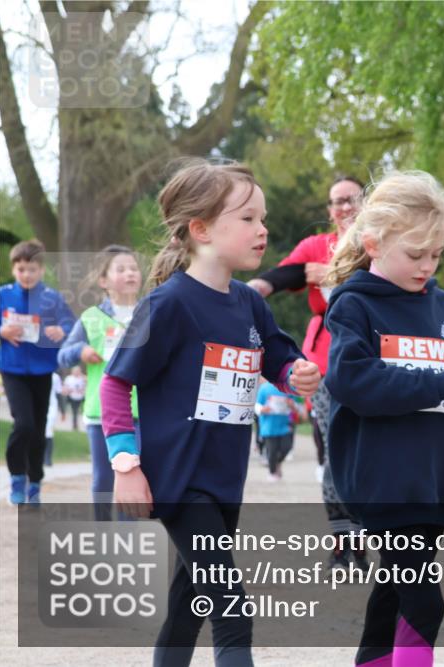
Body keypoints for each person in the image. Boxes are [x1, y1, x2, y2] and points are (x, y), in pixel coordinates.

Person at [100, 159, 321, 667]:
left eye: (263, 218)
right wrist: (126, 465)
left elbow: (278, 357)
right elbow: (115, 382)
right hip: (179, 481)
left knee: (188, 605)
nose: (262, 230)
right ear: (200, 229)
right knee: (231, 609)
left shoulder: (249, 302)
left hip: (225, 478)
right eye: (247, 218)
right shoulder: (168, 304)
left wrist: (296, 374)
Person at [322, 171, 444, 667]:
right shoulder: (353, 306)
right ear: (373, 244)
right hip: (384, 479)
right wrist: (440, 380)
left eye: (437, 254)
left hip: (436, 479)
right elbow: (352, 381)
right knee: (425, 602)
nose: (427, 266)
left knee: (393, 592)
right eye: (415, 255)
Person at [248, 175, 364, 479]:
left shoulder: (380, 245)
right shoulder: (317, 245)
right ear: (330, 211)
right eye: (338, 202)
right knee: (327, 425)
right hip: (327, 346)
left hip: (372, 343)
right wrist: (256, 288)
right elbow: (289, 273)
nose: (346, 207)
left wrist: (335, 275)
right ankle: (331, 479)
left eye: (353, 199)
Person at [58, 245, 143, 520]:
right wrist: (81, 350)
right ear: (103, 280)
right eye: (121, 269)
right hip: (101, 413)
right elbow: (63, 354)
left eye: (134, 268)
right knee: (104, 479)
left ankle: (128, 534)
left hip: (144, 412)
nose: (130, 273)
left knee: (133, 475)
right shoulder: (90, 318)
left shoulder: (151, 314)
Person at [0, 239, 75, 504]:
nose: (26, 274)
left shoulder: (52, 298)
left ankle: (35, 482)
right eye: (21, 269)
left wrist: (62, 330)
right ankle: (17, 478)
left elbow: (71, 324)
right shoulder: (3, 295)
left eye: (32, 269)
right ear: (13, 269)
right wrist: (1, 331)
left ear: (41, 270)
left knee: (39, 430)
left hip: (43, 371)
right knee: (24, 424)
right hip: (12, 370)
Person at [254, 378, 295, 481]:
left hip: (284, 425)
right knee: (272, 451)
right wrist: (262, 409)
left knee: (287, 447)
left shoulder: (287, 388)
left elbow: (294, 405)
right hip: (269, 427)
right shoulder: (264, 388)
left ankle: (277, 463)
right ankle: (272, 473)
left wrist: (292, 405)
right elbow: (256, 405)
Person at [43, 371, 61, 466]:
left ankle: (48, 459)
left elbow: (58, 393)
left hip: (51, 406)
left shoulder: (56, 377)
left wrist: (63, 411)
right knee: (39, 431)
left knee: (48, 432)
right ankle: (39, 457)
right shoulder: (38, 373)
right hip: (39, 405)